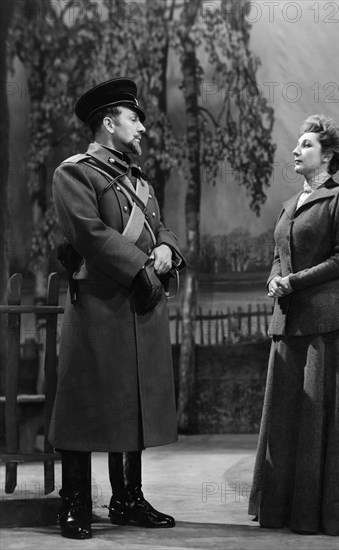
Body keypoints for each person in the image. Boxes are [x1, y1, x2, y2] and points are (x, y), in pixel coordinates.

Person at [49, 77, 185, 540]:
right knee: (85, 406)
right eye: (134, 119)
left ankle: (128, 499)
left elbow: (159, 226)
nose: (143, 127)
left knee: (133, 406)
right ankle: (75, 505)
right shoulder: (76, 172)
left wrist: (166, 249)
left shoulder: (137, 178)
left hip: (139, 304)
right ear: (108, 122)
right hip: (100, 306)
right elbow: (89, 233)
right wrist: (142, 267)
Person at [248, 115, 339, 536]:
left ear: (327, 156)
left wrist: (293, 281)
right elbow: (280, 252)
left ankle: (328, 509)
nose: (295, 150)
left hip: (326, 322)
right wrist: (275, 277)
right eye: (296, 144)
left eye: (306, 145)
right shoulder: (288, 206)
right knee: (288, 417)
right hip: (289, 322)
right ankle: (289, 509)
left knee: (325, 418)